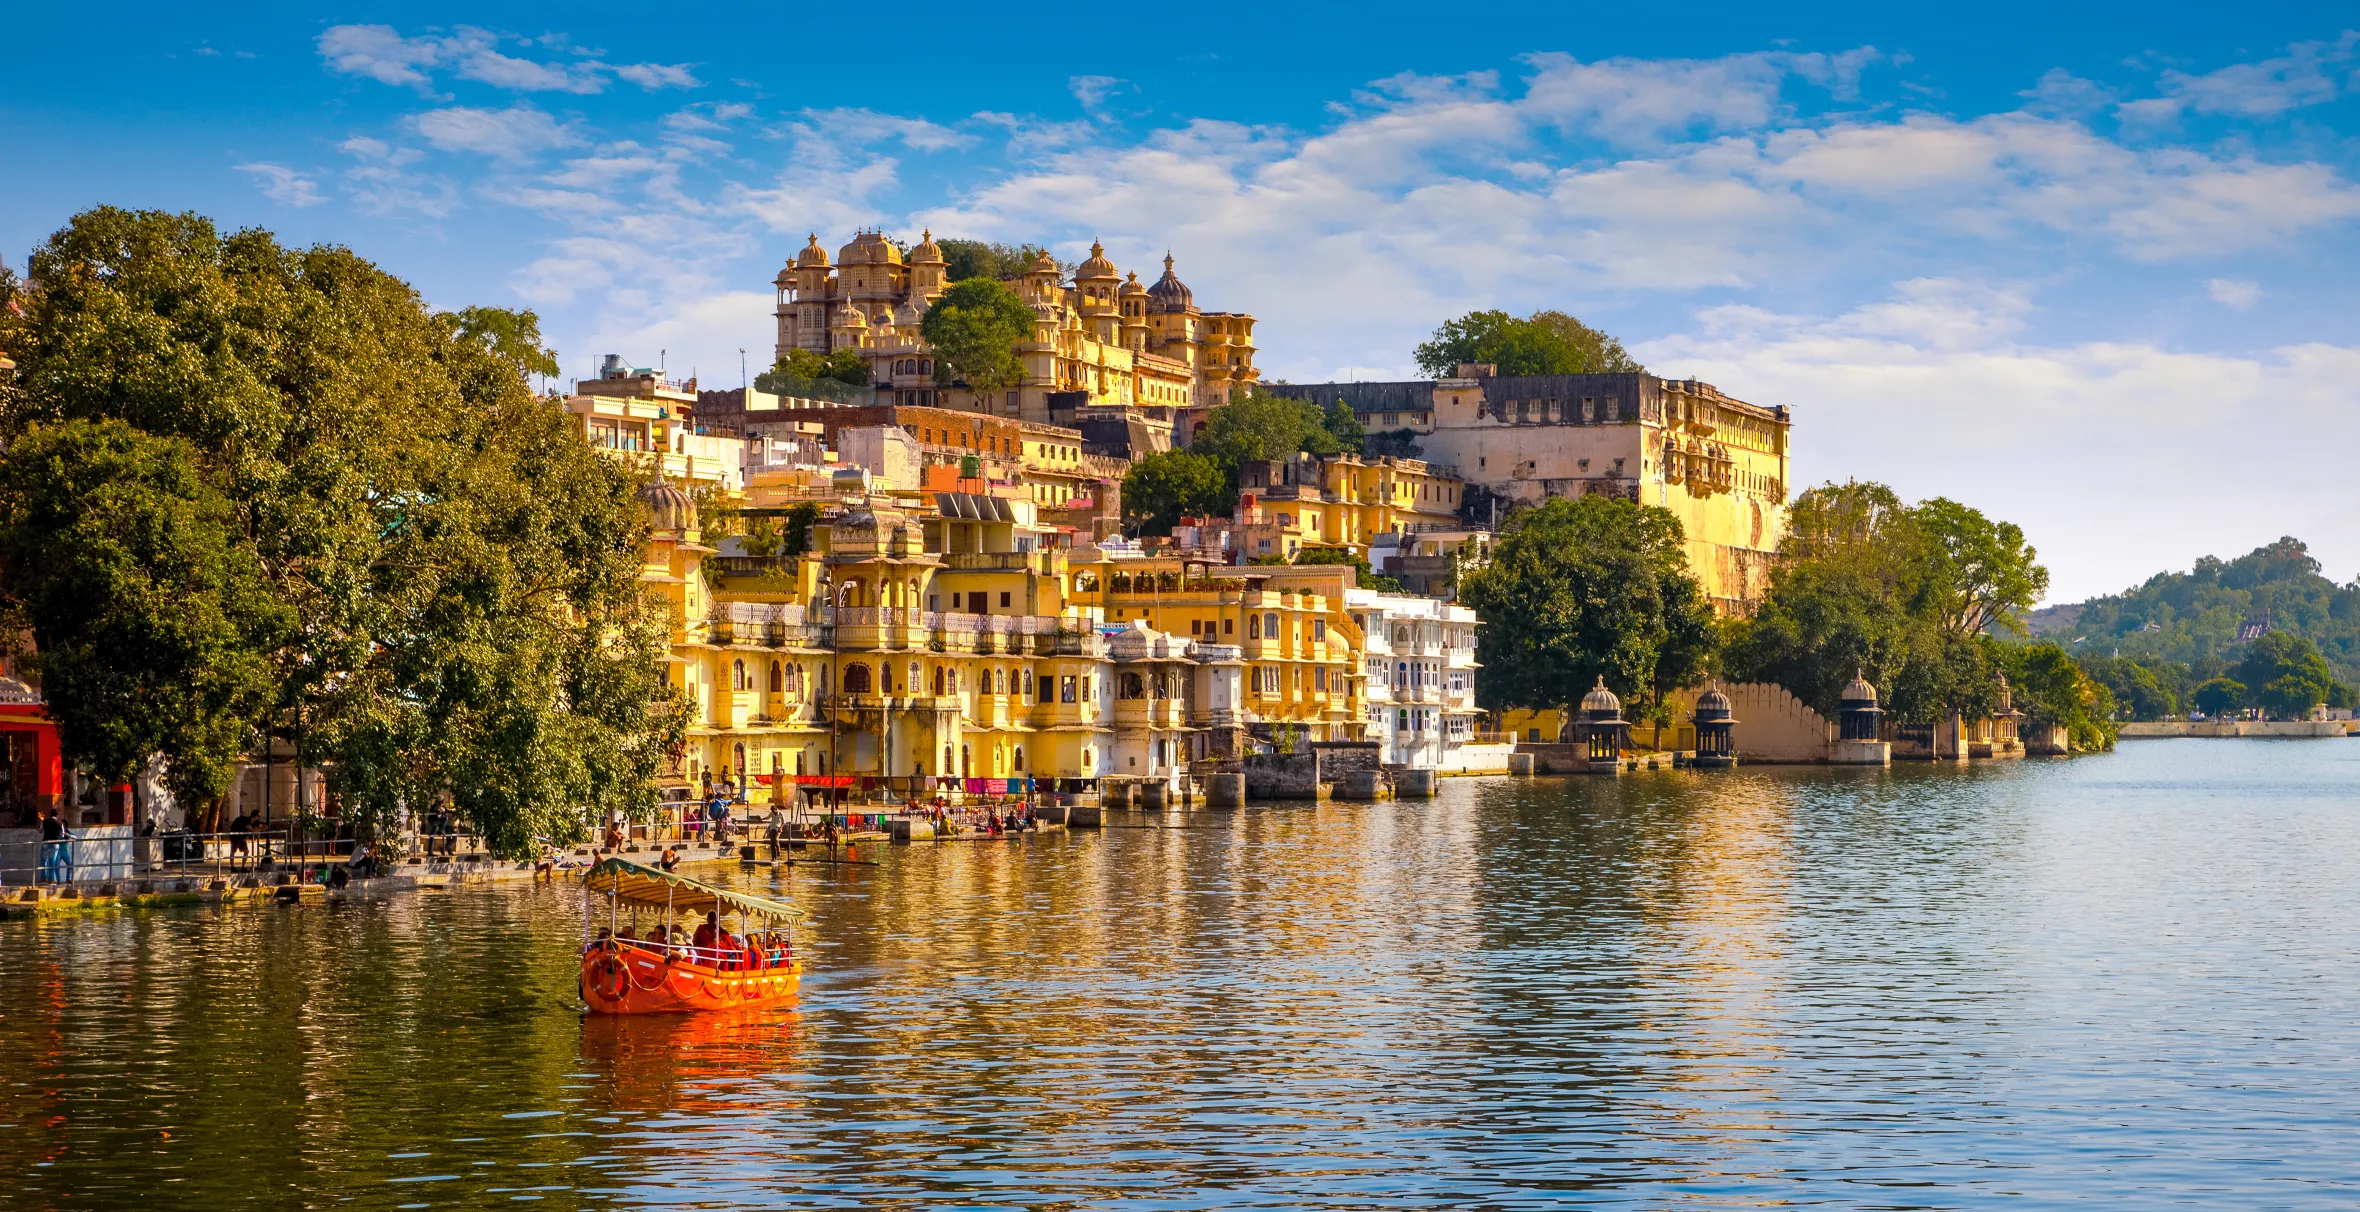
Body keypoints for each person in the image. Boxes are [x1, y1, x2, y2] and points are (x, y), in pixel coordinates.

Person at [38, 809, 69, 884]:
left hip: (46, 842)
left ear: (50, 814)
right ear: (57, 815)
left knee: (43, 861)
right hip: (55, 843)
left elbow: (40, 830)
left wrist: (40, 821)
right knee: (52, 861)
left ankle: (43, 878)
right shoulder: (60, 823)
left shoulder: (44, 822)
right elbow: (62, 834)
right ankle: (51, 879)